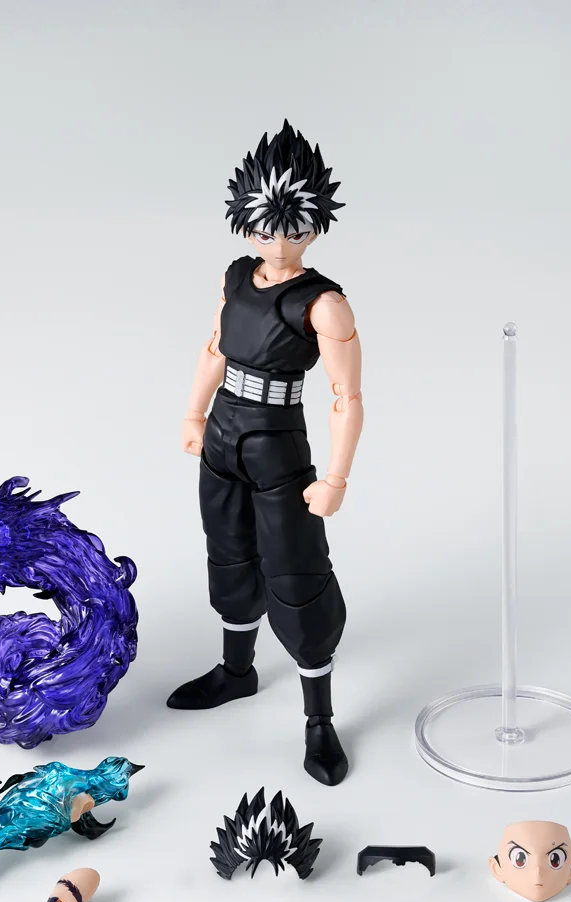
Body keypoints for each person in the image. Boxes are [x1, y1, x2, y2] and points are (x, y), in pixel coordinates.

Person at [167, 120, 364, 786]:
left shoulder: (323, 304)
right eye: (263, 228)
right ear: (244, 220)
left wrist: (336, 477)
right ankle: (237, 671)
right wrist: (194, 411)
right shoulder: (235, 277)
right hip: (224, 432)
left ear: (315, 225)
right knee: (228, 554)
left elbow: (347, 396)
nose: (278, 244)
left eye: (293, 229)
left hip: (279, 443)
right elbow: (214, 349)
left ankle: (319, 719)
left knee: (296, 575)